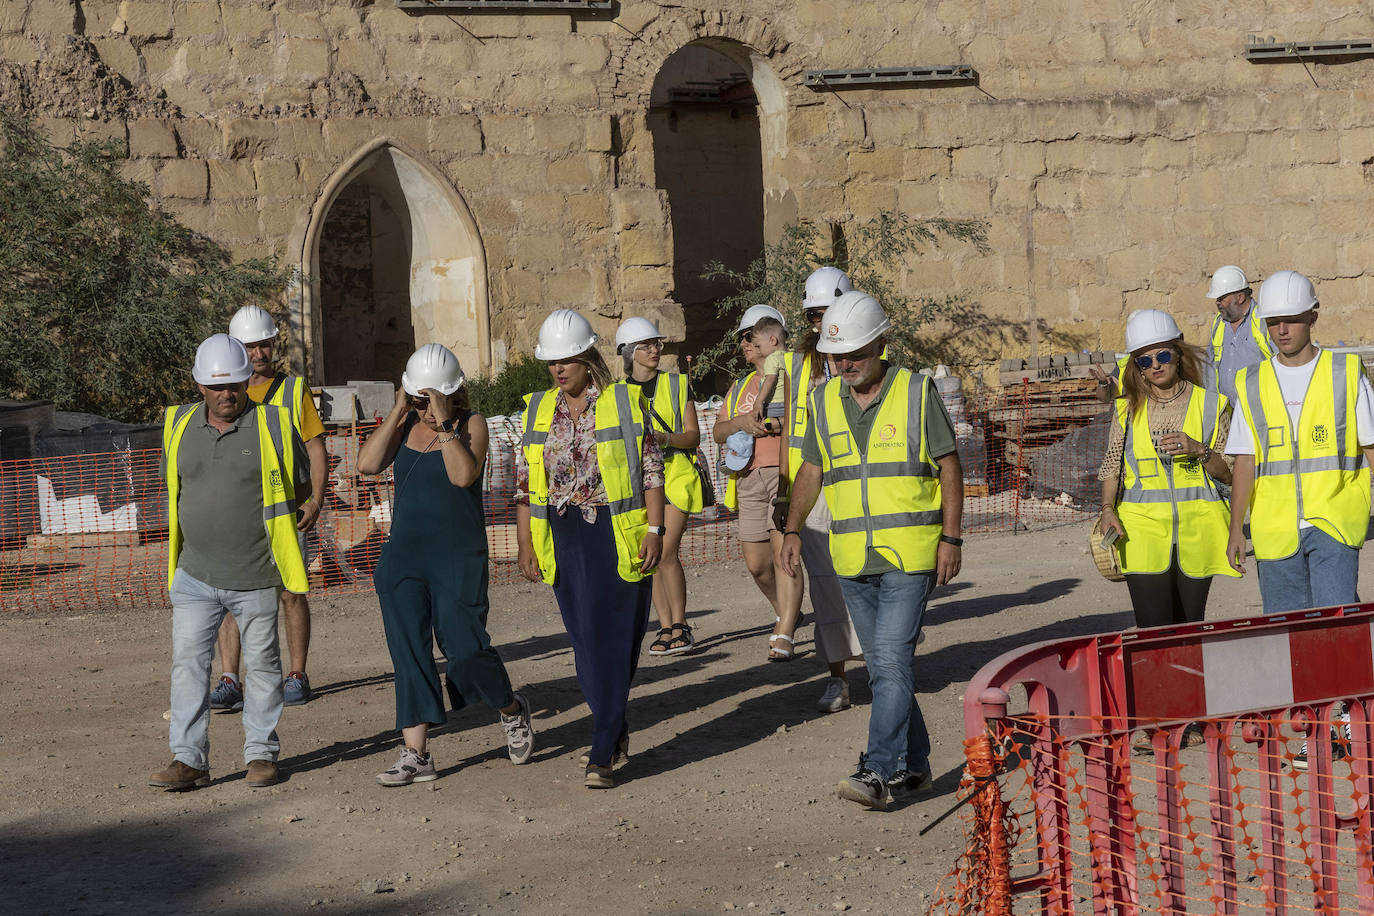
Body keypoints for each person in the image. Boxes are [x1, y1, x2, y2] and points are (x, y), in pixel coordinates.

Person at [780, 291, 964, 811]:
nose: (845, 364)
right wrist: (792, 528)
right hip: (852, 558)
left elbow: (949, 465)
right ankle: (920, 765)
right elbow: (811, 470)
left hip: (910, 554)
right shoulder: (821, 400)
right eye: (836, 356)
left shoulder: (915, 391)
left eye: (855, 353)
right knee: (884, 669)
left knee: (892, 660)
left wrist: (952, 538)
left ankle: (879, 769)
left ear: (882, 343)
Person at [356, 343, 533, 786]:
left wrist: (445, 421)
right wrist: (400, 410)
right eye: (421, 398)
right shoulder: (404, 423)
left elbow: (461, 476)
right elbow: (367, 464)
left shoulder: (472, 425)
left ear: (455, 392)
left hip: (457, 555)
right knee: (409, 653)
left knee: (466, 648)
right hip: (404, 558)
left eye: (434, 398)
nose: (428, 408)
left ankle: (510, 708)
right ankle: (416, 753)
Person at [150, 334, 310, 791]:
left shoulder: (275, 426)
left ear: (246, 382)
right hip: (195, 576)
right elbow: (176, 485)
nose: (227, 394)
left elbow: (297, 487)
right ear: (199, 385)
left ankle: (261, 755)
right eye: (217, 387)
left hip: (257, 575)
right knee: (188, 668)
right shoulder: (177, 425)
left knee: (262, 666)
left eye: (235, 385)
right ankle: (189, 760)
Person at [514, 309, 665, 789]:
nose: (559, 370)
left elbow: (651, 470)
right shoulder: (538, 409)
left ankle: (602, 749)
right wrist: (524, 543)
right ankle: (614, 728)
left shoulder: (622, 403)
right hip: (561, 536)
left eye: (569, 360)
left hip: (614, 533)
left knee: (615, 640)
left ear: (588, 358)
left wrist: (656, 530)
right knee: (583, 641)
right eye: (552, 362)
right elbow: (525, 484)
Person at [1226, 270, 1374, 613]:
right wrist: (1237, 530)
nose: (1281, 330)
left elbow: (1370, 449)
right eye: (1273, 321)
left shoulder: (1346, 373)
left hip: (1335, 523)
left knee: (1337, 625)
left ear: (1312, 316)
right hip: (1274, 529)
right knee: (1287, 633)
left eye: (1291, 320)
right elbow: (1245, 463)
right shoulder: (1251, 382)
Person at [210, 304, 329, 709]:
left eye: (263, 344)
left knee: (292, 592)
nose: (258, 353)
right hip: (239, 514)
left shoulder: (295, 391)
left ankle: (297, 674)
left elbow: (316, 449)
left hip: (289, 511)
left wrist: (316, 500)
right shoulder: (225, 392)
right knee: (230, 596)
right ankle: (229, 678)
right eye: (249, 346)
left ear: (274, 344)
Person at [1097, 309, 1239, 628]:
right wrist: (1108, 509)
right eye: (1145, 361)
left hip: (1197, 532)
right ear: (1138, 368)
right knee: (1153, 628)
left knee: (1189, 626)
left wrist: (1198, 449)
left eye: (1162, 355)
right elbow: (1112, 466)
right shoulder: (1126, 409)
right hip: (1141, 532)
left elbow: (1229, 473)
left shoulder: (1212, 405)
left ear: (1178, 351)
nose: (1156, 365)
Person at [784, 267, 865, 712]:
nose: (819, 323)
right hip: (813, 484)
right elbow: (792, 436)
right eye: (813, 316)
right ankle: (837, 677)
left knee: (869, 572)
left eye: (826, 313)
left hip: (861, 482)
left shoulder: (870, 352)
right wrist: (785, 491)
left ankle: (886, 663)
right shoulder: (799, 363)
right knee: (825, 584)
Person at [712, 305, 806, 661]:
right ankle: (786, 611)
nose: (745, 343)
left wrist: (772, 427)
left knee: (785, 554)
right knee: (756, 563)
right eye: (742, 338)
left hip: (783, 473)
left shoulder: (794, 375)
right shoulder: (739, 387)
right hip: (747, 477)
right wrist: (740, 423)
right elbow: (720, 431)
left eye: (749, 335)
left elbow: (806, 418)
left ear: (770, 337)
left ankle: (785, 631)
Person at [615, 316, 704, 657]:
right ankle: (665, 627)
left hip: (678, 476)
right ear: (630, 352)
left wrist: (665, 438)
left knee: (666, 551)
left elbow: (693, 436)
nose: (654, 350)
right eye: (646, 346)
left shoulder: (679, 384)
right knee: (648, 556)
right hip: (641, 482)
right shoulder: (618, 394)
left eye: (656, 344)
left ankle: (681, 624)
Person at [1204, 265, 1272, 402]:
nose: (1217, 302)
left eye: (1221, 297)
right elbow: (1210, 367)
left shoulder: (1264, 321)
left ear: (1240, 297)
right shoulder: (1219, 323)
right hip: (1227, 411)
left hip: (1260, 409)